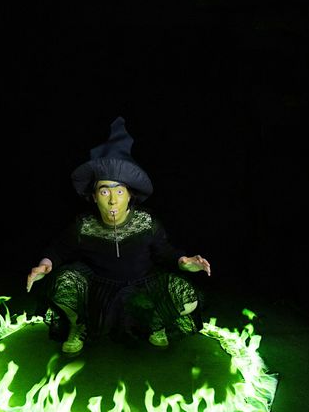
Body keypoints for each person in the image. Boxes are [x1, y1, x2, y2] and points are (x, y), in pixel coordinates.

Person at [25, 117, 212, 354]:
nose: (113, 200)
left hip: (141, 286)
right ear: (94, 197)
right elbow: (59, 249)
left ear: (129, 195)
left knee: (188, 297)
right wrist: (45, 264)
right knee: (61, 283)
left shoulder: (146, 221)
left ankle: (156, 323)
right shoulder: (83, 224)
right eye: (105, 192)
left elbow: (166, 251)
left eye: (120, 191)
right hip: (99, 287)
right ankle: (78, 325)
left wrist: (184, 262)